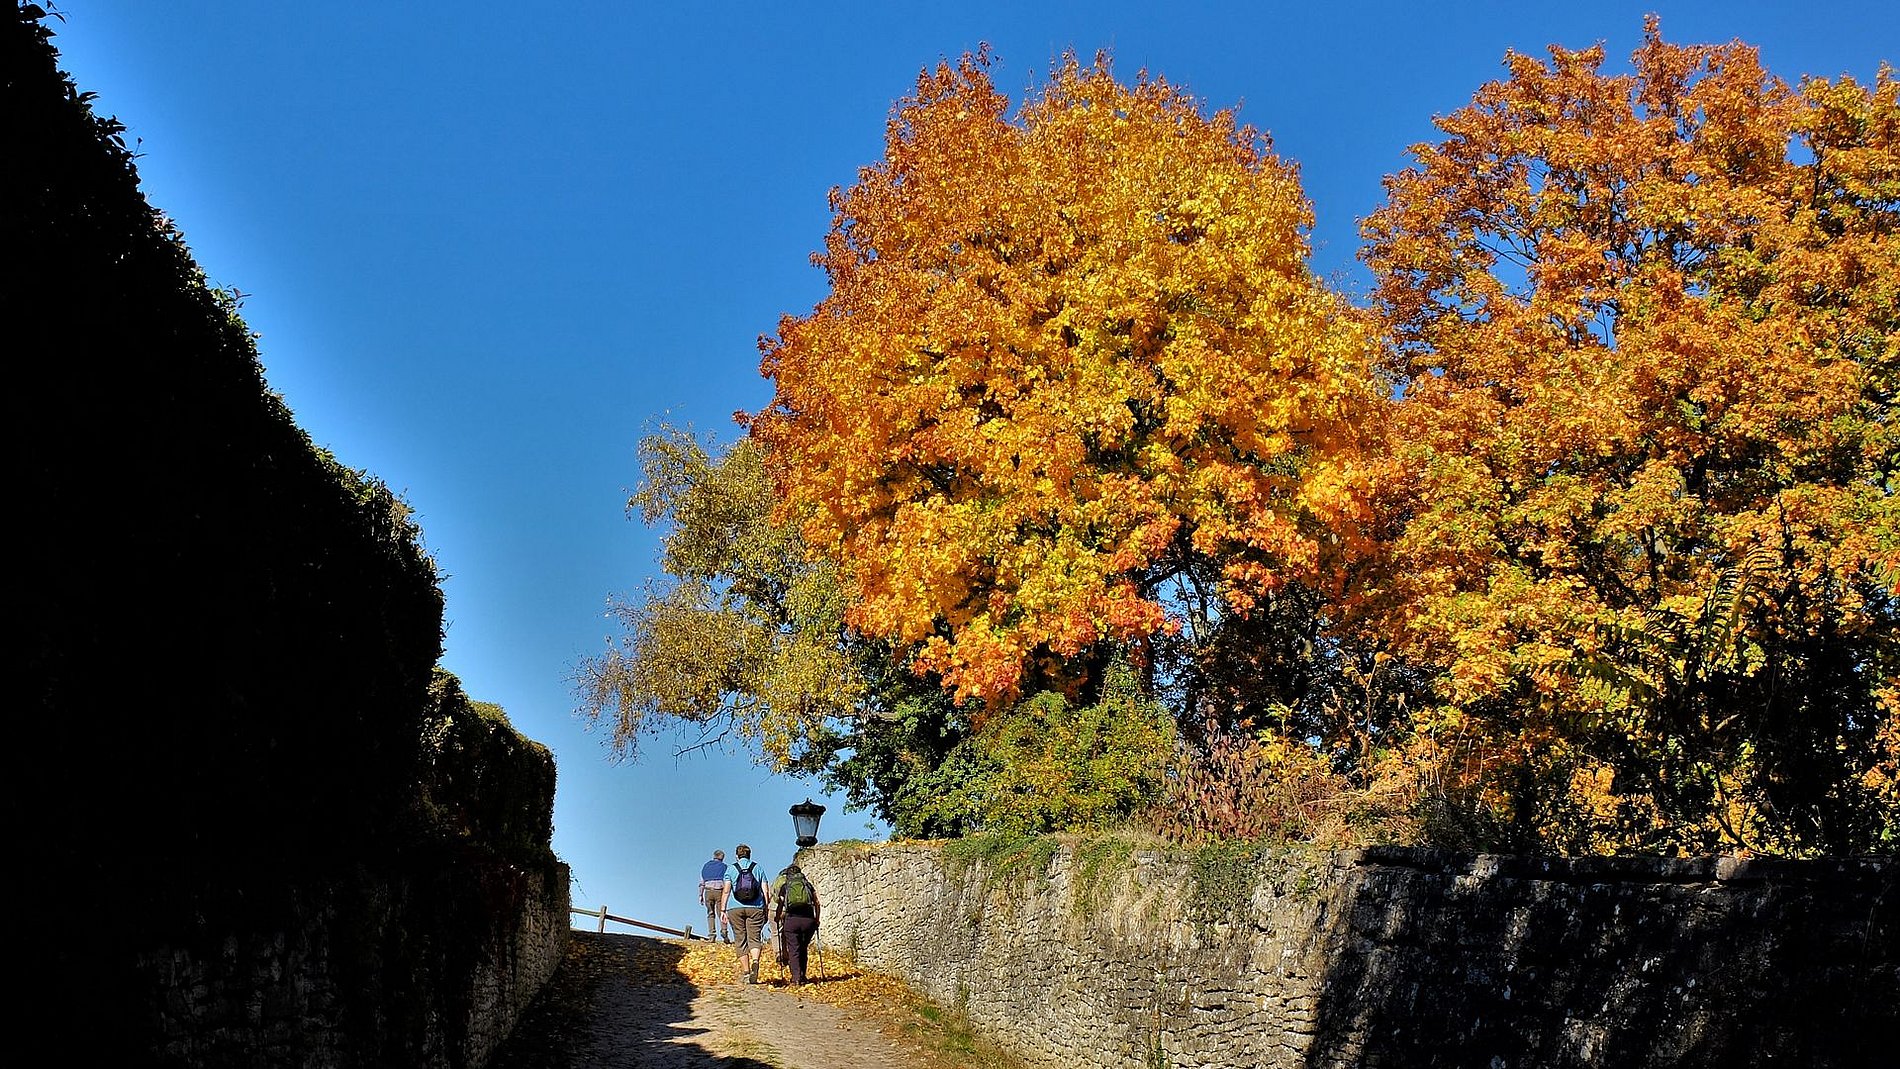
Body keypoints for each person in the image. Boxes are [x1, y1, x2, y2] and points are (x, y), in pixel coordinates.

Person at [724, 843, 769, 983]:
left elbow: (726, 891)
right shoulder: (758, 868)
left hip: (735, 908)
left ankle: (746, 972)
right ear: (749, 855)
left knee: (740, 939)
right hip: (755, 907)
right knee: (754, 938)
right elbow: (765, 890)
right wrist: (766, 906)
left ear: (736, 856)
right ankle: (755, 961)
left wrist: (722, 909)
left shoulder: (731, 869)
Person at [773, 862, 822, 986]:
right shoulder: (807, 885)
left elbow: (780, 904)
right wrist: (817, 919)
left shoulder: (785, 887)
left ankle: (796, 978)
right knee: (803, 948)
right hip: (808, 921)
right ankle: (803, 976)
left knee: (793, 949)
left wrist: (777, 917)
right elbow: (817, 902)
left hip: (792, 921)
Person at [698, 849, 731, 943]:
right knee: (722, 913)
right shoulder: (724, 867)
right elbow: (727, 881)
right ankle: (724, 932)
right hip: (719, 892)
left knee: (710, 914)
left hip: (708, 891)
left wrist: (700, 895)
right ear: (722, 858)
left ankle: (712, 935)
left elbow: (702, 882)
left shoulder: (706, 866)